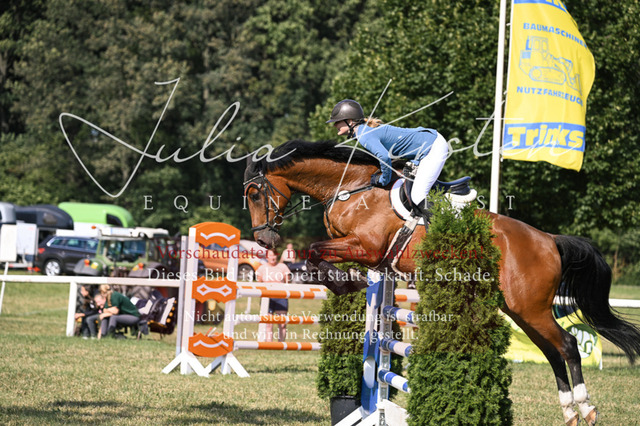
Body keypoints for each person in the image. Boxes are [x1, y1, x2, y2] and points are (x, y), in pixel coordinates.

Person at [327, 99, 449, 221]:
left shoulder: (364, 135)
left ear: (349, 121)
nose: (334, 125)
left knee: (418, 196)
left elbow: (384, 157)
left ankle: (446, 224)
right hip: (426, 146)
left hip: (433, 147)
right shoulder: (364, 131)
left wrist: (383, 180)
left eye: (337, 122)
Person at [255, 249, 291, 342]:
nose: (273, 257)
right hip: (267, 298)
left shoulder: (282, 267)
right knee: (268, 323)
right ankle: (269, 344)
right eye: (270, 255)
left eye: (274, 255)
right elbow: (258, 283)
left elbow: (288, 282)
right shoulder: (262, 268)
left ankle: (281, 344)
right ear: (267, 257)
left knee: (282, 323)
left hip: (281, 297)